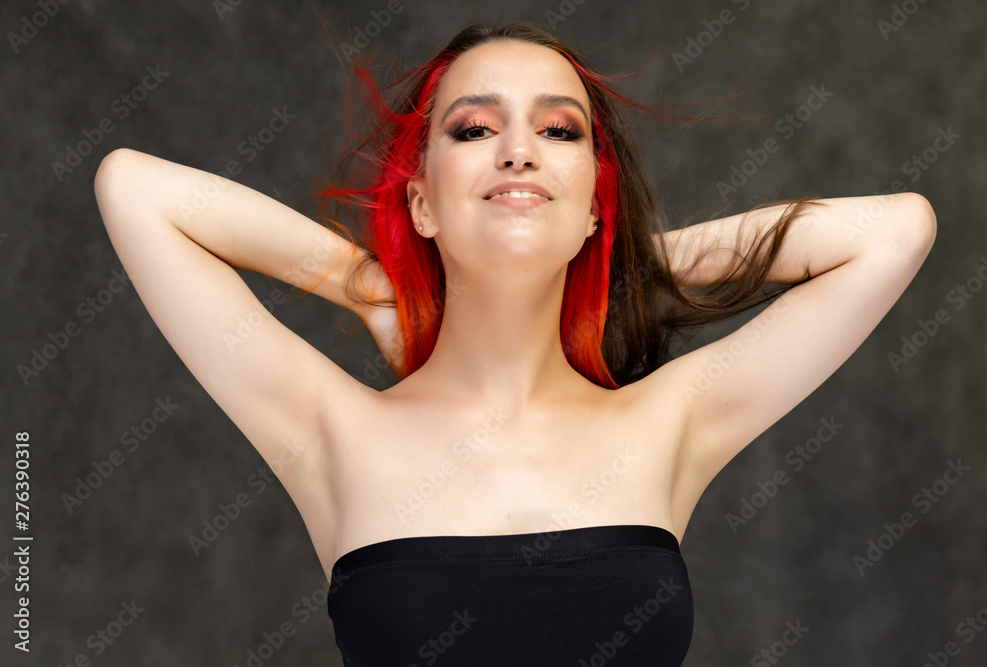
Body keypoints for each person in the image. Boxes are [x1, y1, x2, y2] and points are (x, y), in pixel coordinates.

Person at [94, 20, 935, 667]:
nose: (520, 149)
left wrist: (624, 268)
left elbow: (894, 231)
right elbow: (134, 190)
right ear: (422, 203)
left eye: (560, 131)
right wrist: (376, 288)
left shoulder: (670, 421)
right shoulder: (332, 429)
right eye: (472, 130)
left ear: (596, 206)